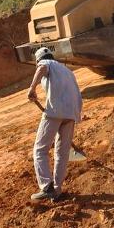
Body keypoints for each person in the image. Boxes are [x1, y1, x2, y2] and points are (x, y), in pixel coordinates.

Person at [27, 47, 82, 201]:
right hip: (71, 113)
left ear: (38, 60)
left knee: (40, 150)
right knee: (62, 153)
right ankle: (57, 191)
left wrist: (32, 88)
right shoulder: (67, 71)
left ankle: (46, 186)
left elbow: (42, 68)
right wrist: (74, 115)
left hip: (55, 112)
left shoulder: (45, 63)